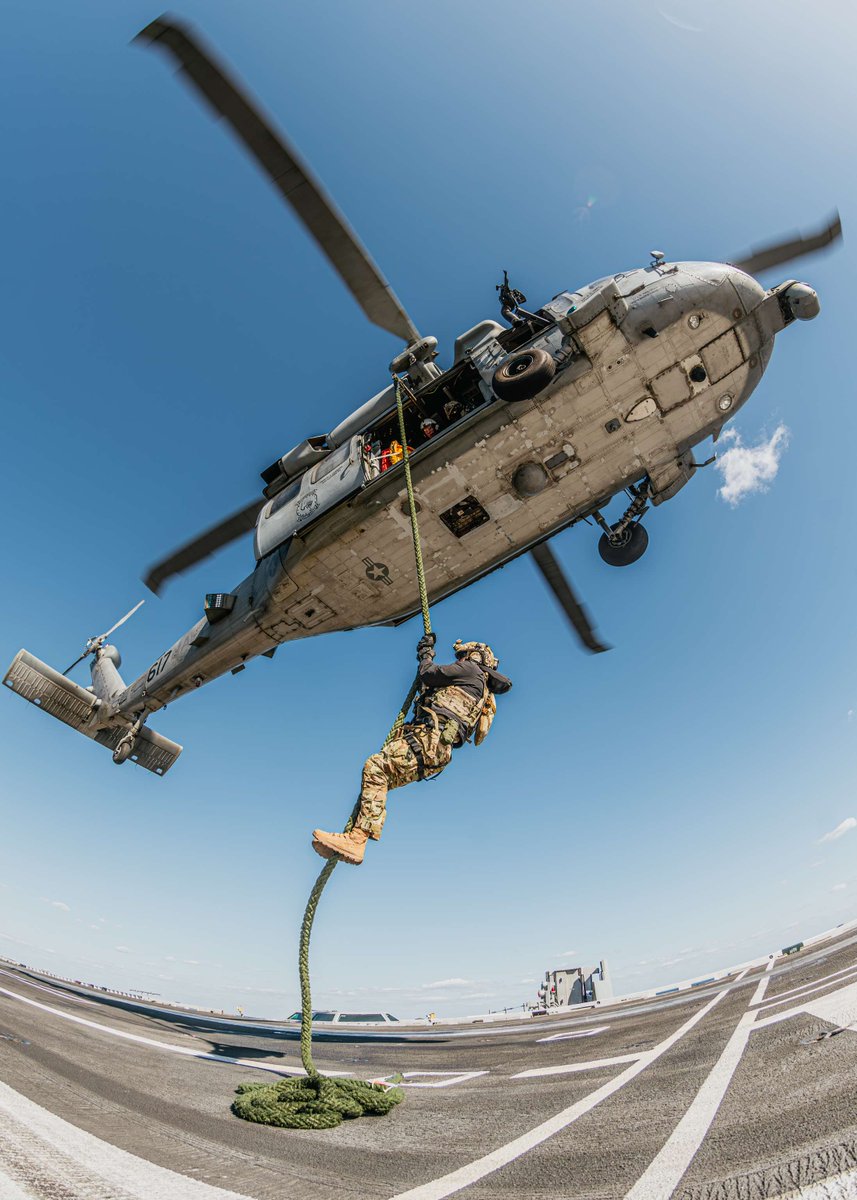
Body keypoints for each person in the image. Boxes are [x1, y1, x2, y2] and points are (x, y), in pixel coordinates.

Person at [312, 637, 512, 864]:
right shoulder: (479, 687)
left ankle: (357, 840)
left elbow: (428, 673)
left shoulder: (470, 670)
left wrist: (426, 653)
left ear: (473, 657)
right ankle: (357, 836)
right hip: (436, 752)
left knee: (376, 767)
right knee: (380, 780)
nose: (460, 660)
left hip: (428, 741)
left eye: (462, 656)